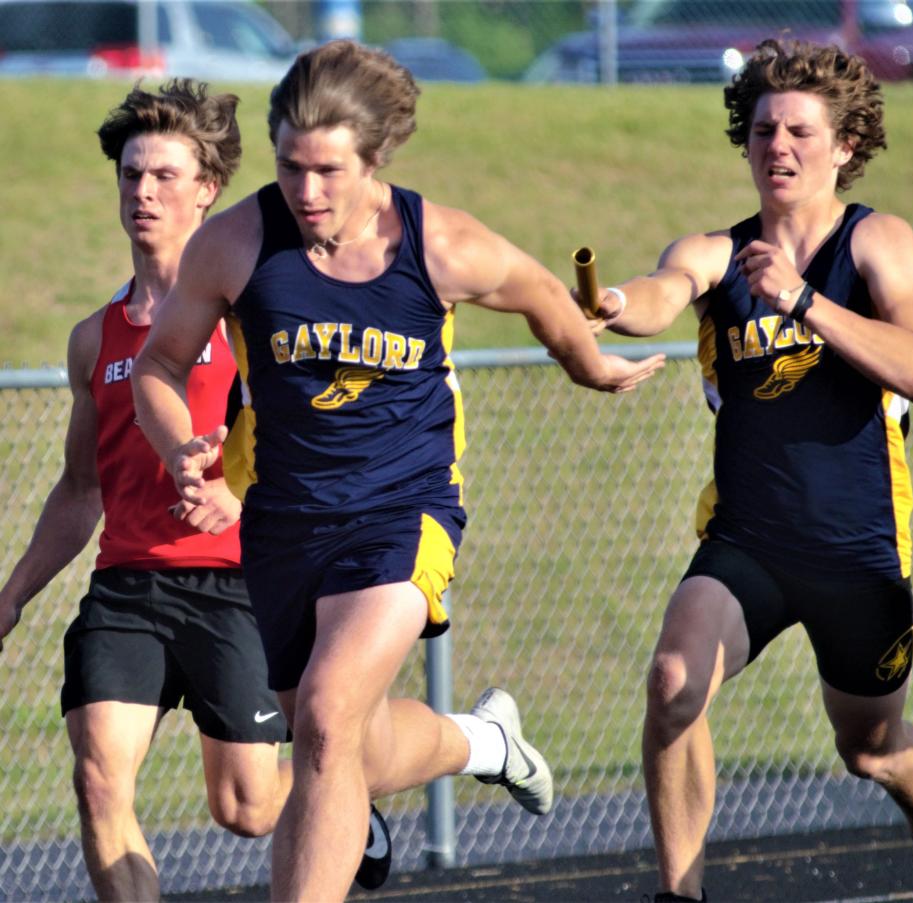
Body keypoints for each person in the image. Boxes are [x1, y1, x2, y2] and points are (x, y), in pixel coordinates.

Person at [131, 40, 665, 902]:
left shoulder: (439, 242)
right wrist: (178, 444)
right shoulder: (234, 243)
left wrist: (588, 364)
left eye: (328, 171)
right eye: (289, 167)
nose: (306, 192)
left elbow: (538, 291)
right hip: (284, 522)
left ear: (374, 159)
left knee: (326, 718)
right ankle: (485, 743)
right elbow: (158, 367)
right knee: (351, 747)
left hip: (403, 510)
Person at [583, 39, 913, 903]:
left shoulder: (876, 242)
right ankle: (680, 893)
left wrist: (804, 300)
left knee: (872, 749)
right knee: (674, 683)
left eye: (798, 131)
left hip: (857, 547)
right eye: (762, 130)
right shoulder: (721, 251)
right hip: (748, 540)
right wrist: (615, 305)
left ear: (845, 147)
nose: (777, 146)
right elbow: (663, 287)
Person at [0, 79, 385, 902]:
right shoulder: (92, 341)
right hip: (127, 586)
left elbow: (321, 442)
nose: (142, 191)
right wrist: (14, 593)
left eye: (164, 176)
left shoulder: (254, 317)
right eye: (131, 175)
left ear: (207, 191)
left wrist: (242, 500)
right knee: (100, 778)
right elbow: (79, 488)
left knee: (246, 806)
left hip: (240, 583)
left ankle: (340, 801)